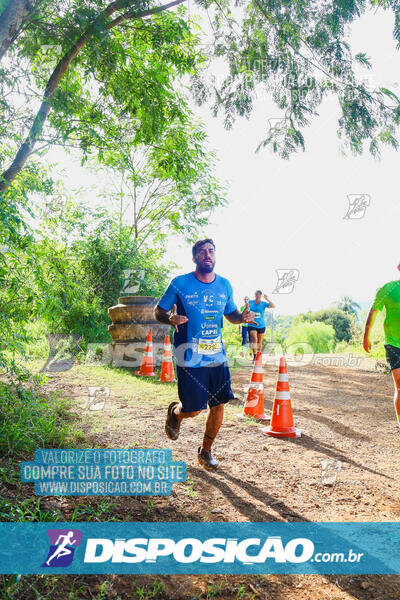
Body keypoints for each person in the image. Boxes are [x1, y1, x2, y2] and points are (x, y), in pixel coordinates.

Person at [154, 239, 255, 470]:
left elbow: (231, 314)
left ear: (215, 256)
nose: (207, 255)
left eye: (211, 251)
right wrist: (170, 319)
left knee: (219, 404)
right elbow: (158, 310)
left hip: (216, 356)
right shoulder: (179, 283)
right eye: (202, 252)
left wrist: (243, 318)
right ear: (194, 258)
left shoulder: (225, 285)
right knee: (193, 409)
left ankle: (206, 451)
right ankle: (176, 413)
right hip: (189, 355)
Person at [364, 264, 400, 430]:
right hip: (393, 344)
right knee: (399, 384)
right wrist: (366, 336)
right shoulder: (388, 289)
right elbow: (373, 312)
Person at [248, 290, 275, 360]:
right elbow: (246, 310)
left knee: (259, 341)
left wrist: (267, 298)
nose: (258, 296)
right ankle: (254, 356)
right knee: (254, 338)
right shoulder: (250, 302)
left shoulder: (263, 303)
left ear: (261, 296)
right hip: (252, 324)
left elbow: (273, 306)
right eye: (256, 294)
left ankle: (259, 356)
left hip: (261, 325)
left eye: (259, 295)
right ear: (255, 295)